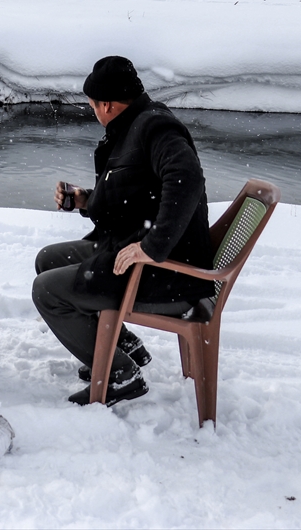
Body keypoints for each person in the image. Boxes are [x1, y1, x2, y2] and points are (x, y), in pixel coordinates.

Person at [32, 56, 212, 406]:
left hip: (165, 272)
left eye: (92, 106)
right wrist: (85, 200)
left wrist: (152, 246)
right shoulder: (134, 125)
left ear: (107, 105)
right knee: (48, 260)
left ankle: (120, 374)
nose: (93, 112)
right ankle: (122, 345)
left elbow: (187, 177)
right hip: (134, 252)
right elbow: (136, 194)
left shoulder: (155, 127)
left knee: (47, 291)